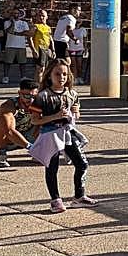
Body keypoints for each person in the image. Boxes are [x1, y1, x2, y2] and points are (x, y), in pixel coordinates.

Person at [31, 59, 97, 214]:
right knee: (52, 167)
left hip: (67, 131)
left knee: (82, 163)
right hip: (50, 134)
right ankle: (55, 199)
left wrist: (75, 113)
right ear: (49, 76)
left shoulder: (72, 93)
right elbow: (35, 119)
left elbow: (76, 110)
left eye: (65, 74)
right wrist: (55, 116)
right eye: (57, 74)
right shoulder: (43, 96)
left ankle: (79, 196)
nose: (61, 77)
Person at [0, 79, 40, 167]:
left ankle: (39, 153)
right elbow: (9, 131)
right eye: (27, 96)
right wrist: (29, 147)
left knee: (48, 122)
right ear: (19, 93)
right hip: (10, 140)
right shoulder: (9, 106)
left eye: (34, 96)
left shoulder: (39, 103)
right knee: (0, 124)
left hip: (31, 135)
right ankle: (1, 154)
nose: (31, 100)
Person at [1, 7, 32, 83]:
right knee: (8, 62)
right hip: (10, 45)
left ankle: (23, 77)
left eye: (17, 13)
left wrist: (18, 33)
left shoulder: (24, 23)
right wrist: (12, 23)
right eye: (14, 13)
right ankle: (6, 77)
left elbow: (28, 33)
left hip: (21, 45)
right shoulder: (7, 22)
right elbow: (9, 31)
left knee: (22, 63)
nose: (16, 15)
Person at [30, 9, 55, 76]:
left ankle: (40, 84)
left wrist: (53, 50)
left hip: (46, 49)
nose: (41, 17)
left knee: (45, 69)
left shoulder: (48, 28)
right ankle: (38, 85)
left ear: (46, 17)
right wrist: (33, 50)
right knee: (40, 69)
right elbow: (30, 38)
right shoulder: (35, 26)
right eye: (40, 16)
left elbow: (50, 39)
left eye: (43, 16)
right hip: (39, 49)